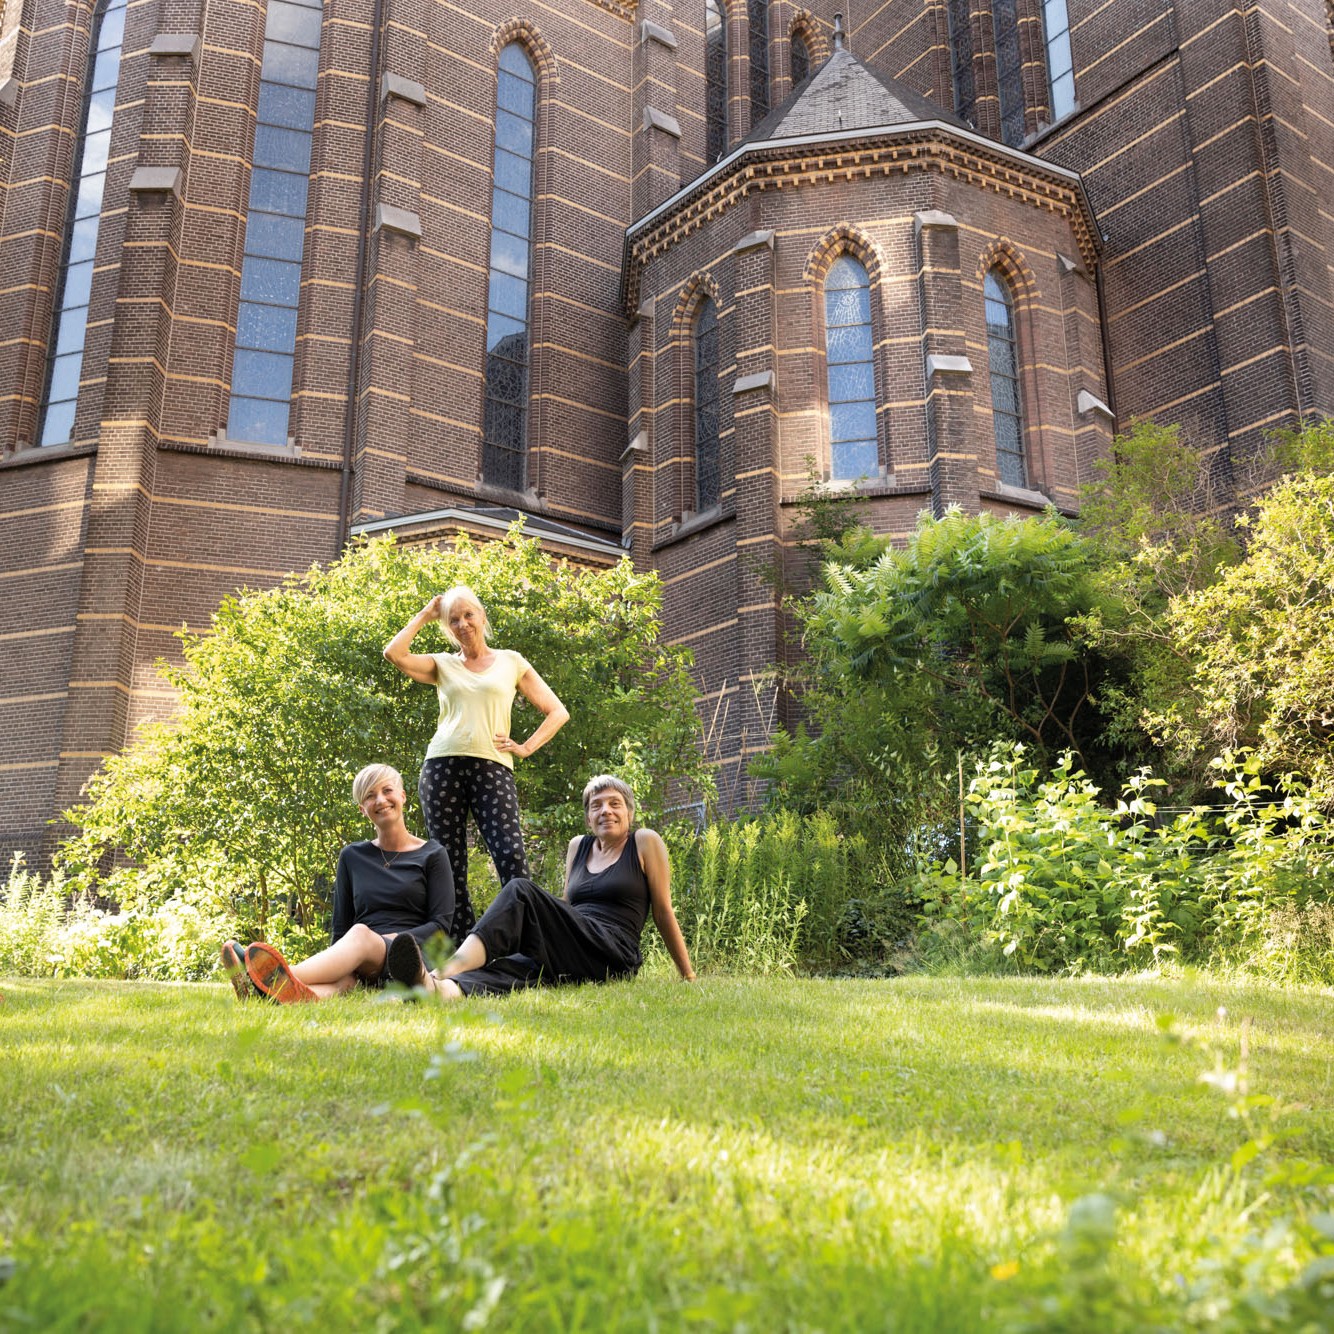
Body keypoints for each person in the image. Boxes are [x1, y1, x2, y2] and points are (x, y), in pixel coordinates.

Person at [385, 774, 696, 997]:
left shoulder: (644, 841)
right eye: (596, 805)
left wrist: (688, 975)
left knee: (521, 889)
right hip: (579, 947)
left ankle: (443, 969)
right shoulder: (579, 846)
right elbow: (564, 910)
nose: (606, 811)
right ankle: (434, 989)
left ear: (629, 813)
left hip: (614, 952)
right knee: (516, 968)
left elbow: (663, 911)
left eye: (615, 804)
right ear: (588, 817)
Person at [383, 584, 568, 942]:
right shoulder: (443, 664)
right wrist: (426, 613)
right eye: (454, 620)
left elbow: (557, 711)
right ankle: (462, 952)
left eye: (469, 615)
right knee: (450, 866)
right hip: (441, 769)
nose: (463, 624)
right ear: (448, 628)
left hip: (492, 768)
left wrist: (526, 746)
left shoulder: (511, 661)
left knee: (511, 856)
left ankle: (524, 944)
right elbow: (394, 652)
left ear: (482, 616)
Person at [220, 764, 454, 1003]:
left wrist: (390, 940)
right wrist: (342, 964)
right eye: (370, 796)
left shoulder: (432, 855)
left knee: (361, 934)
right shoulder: (352, 856)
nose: (381, 800)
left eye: (387, 790)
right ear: (363, 809)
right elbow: (341, 927)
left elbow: (441, 925)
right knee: (338, 984)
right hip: (363, 960)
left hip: (410, 959)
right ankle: (271, 996)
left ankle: (270, 976)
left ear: (403, 796)